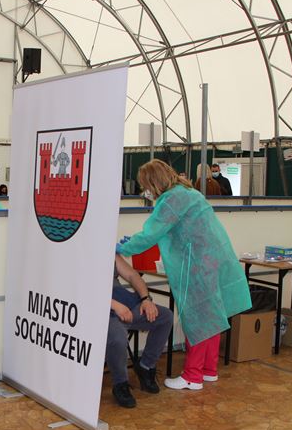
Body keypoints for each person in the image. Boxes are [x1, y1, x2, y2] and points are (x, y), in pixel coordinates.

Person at [118, 159, 251, 391]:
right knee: (213, 316)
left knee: (197, 319)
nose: (146, 191)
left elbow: (151, 234)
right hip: (214, 260)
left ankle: (192, 376)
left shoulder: (171, 200)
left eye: (146, 186)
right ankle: (208, 370)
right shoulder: (189, 192)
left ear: (153, 182)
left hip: (197, 266)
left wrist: (123, 248)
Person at [107, 254, 174, 408]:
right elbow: (80, 289)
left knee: (165, 317)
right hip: (101, 308)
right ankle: (120, 384)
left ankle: (145, 366)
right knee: (118, 337)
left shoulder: (110, 252)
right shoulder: (78, 254)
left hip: (124, 301)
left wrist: (146, 299)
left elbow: (132, 275)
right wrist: (114, 305)